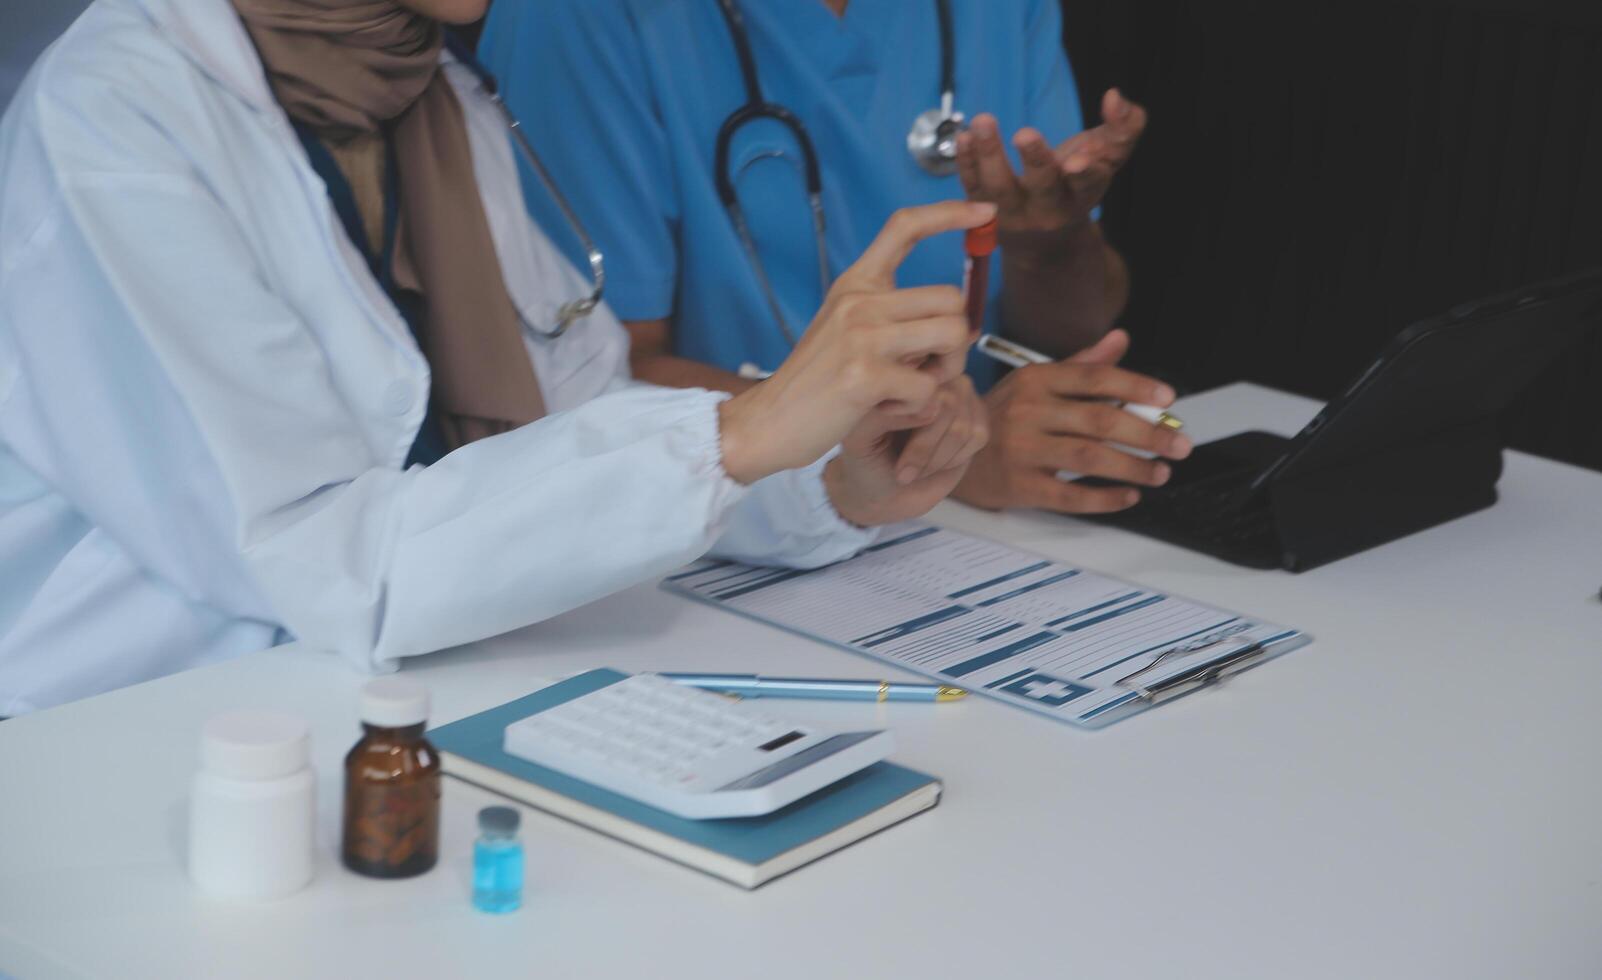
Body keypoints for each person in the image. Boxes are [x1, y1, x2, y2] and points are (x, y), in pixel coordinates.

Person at [0, 0, 994, 716]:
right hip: (136, 724)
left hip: (411, 684)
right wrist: (747, 430)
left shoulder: (431, 95)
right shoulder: (116, 115)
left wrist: (828, 477)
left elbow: (575, 414)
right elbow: (321, 556)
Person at [479, 0, 1196, 518]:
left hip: (973, 520)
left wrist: (1050, 240)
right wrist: (936, 446)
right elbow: (589, 381)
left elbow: (1070, 327)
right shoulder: (573, 17)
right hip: (713, 535)